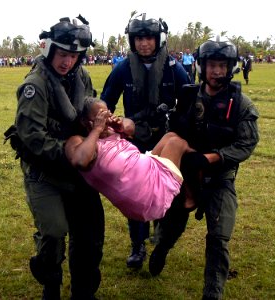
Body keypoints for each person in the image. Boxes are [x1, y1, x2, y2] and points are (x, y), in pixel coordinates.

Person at [149, 40, 260, 300]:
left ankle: (213, 292)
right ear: (202, 66)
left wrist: (212, 158)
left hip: (220, 178)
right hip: (186, 175)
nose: (217, 71)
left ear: (231, 68)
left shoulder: (241, 104)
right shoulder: (188, 96)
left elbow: (246, 144)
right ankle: (161, 249)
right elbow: (173, 131)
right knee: (171, 227)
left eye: (222, 66)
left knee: (219, 237)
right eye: (212, 65)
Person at [6, 16, 104, 300]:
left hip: (77, 168)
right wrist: (69, 151)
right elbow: (32, 136)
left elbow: (86, 101)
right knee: (54, 233)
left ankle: (83, 292)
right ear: (49, 50)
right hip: (44, 170)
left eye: (73, 55)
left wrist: (97, 115)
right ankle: (50, 281)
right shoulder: (35, 84)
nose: (67, 62)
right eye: (62, 54)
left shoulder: (80, 75)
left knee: (90, 235)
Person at [100, 12, 191, 270]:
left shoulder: (175, 69)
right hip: (134, 139)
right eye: (138, 38)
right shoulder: (123, 68)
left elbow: (190, 100)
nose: (143, 43)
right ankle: (137, 244)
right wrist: (105, 124)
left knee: (168, 189)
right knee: (135, 192)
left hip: (166, 137)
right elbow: (106, 100)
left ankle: (161, 233)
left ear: (158, 39)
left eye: (148, 37)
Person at [65, 98, 199, 221]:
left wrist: (120, 124)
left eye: (107, 115)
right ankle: (193, 191)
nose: (105, 121)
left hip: (148, 169)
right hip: (149, 196)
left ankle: (195, 165)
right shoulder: (78, 142)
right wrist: (97, 129)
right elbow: (80, 161)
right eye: (100, 117)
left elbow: (131, 127)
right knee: (176, 143)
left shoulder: (111, 129)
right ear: (84, 121)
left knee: (170, 135)